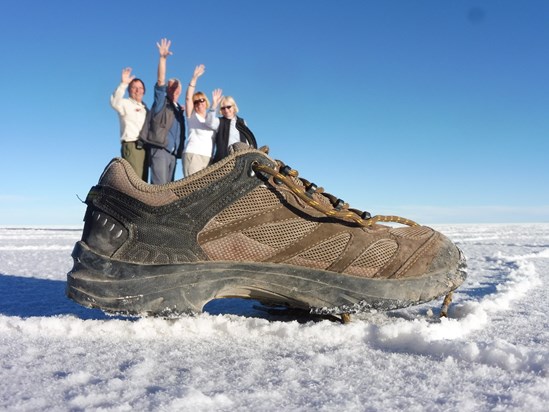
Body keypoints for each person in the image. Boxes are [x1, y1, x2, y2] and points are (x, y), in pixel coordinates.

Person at [139, 38, 185, 184]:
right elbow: (160, 80)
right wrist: (163, 59)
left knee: (167, 190)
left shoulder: (179, 110)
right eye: (171, 87)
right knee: (158, 189)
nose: (174, 90)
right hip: (160, 149)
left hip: (173, 154)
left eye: (177, 87)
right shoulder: (161, 102)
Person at [110, 68, 148, 181]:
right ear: (129, 90)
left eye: (140, 88)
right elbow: (114, 102)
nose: (137, 90)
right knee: (134, 182)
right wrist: (124, 83)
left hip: (145, 148)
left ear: (144, 91)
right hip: (132, 147)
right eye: (134, 87)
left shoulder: (145, 108)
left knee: (144, 183)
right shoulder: (125, 104)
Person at [182, 64, 217, 177]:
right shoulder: (191, 116)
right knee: (192, 190)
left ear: (206, 102)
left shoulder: (211, 119)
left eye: (201, 100)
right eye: (195, 102)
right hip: (193, 155)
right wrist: (194, 78)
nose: (199, 103)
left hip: (208, 158)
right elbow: (188, 98)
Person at [205, 89, 257, 163]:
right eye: (223, 108)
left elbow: (247, 139)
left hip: (241, 159)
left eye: (228, 107)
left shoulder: (242, 122)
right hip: (223, 160)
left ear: (234, 107)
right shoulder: (219, 122)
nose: (226, 110)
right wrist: (213, 105)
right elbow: (209, 122)